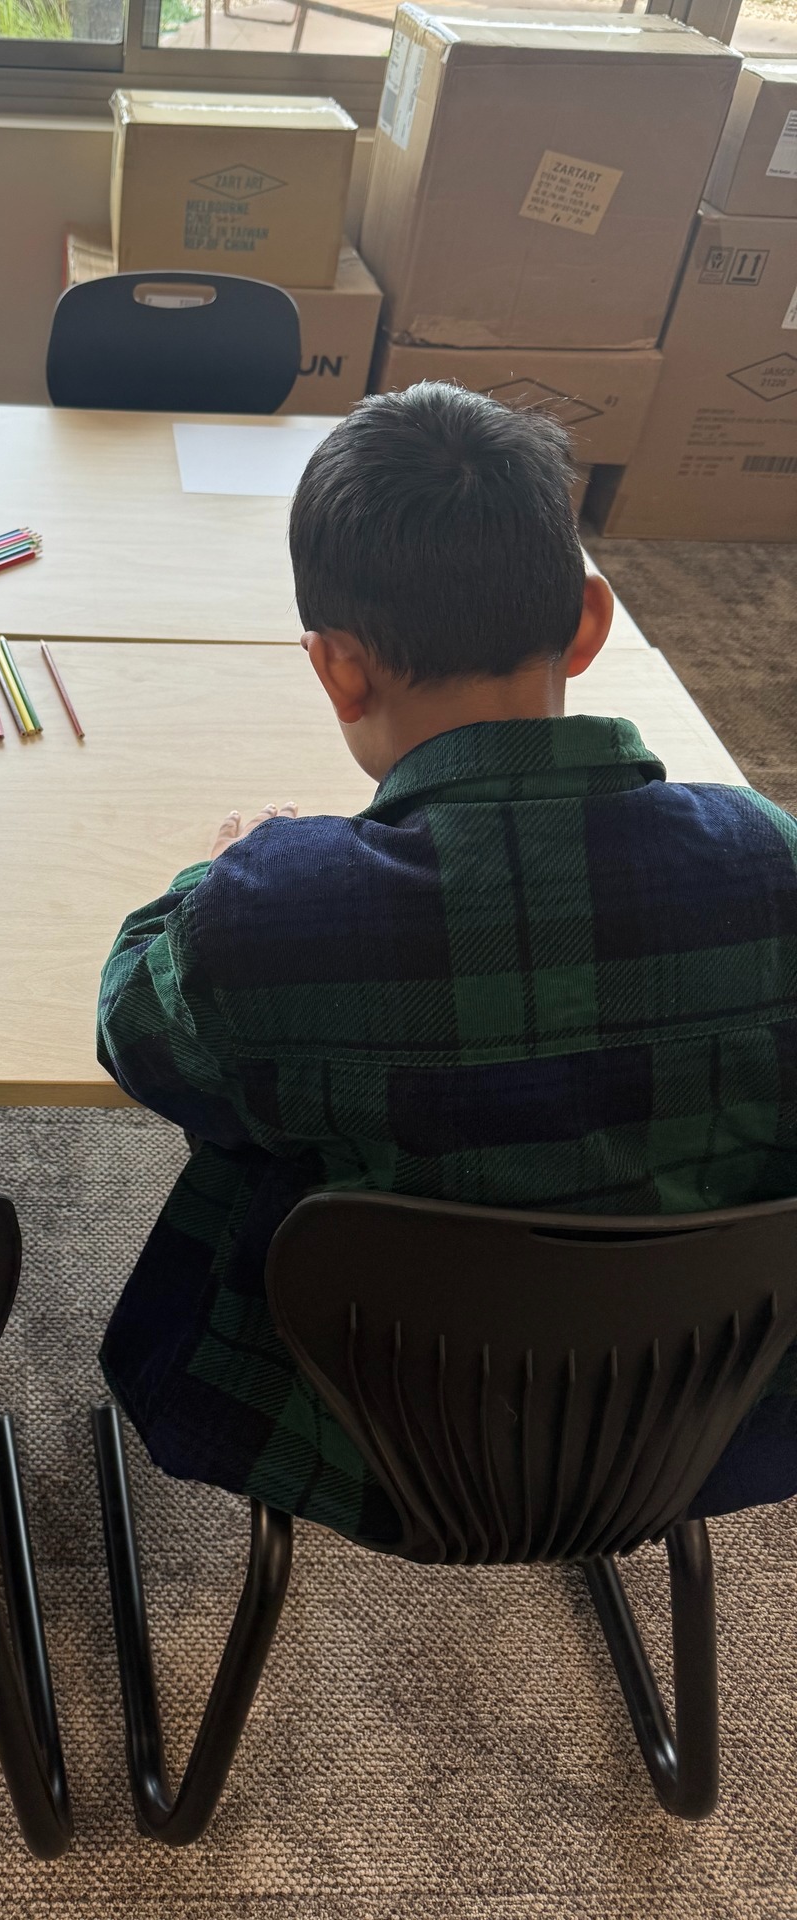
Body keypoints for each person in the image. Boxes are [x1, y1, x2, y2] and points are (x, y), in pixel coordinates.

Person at [96, 383, 797, 1544]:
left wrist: (215, 875)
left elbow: (137, 1039)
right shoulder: (769, 857)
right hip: (679, 1417)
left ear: (337, 670)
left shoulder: (272, 914)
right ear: (590, 622)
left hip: (354, 1429)